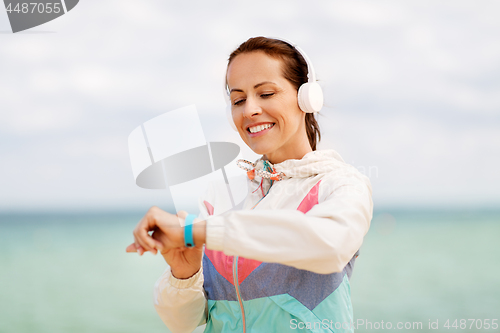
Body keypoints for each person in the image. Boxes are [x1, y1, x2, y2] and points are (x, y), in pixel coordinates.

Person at [126, 36, 373, 333]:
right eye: (238, 100)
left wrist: (198, 230)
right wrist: (184, 271)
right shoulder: (220, 195)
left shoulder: (341, 183)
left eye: (266, 93)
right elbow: (184, 323)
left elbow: (331, 244)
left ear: (307, 97)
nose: (249, 110)